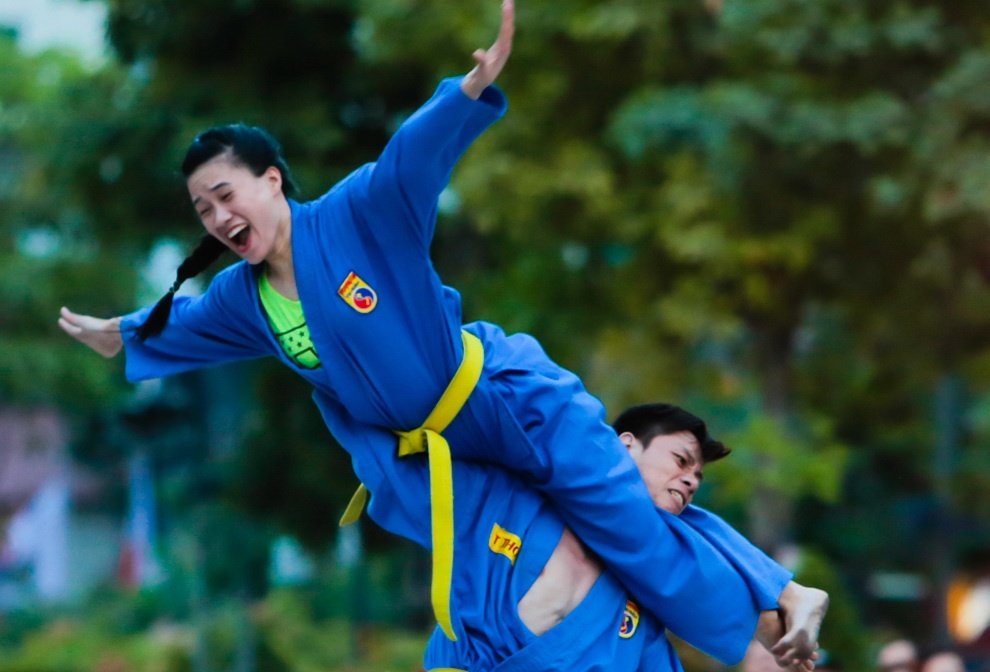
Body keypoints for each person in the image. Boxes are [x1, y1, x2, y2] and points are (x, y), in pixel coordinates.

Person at [58, 2, 812, 663]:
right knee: (507, 579)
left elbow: (412, 157)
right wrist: (116, 334)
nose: (220, 219)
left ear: (272, 181)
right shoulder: (241, 299)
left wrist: (468, 92)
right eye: (202, 210)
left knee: (627, 520)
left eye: (226, 195)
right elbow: (179, 325)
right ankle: (756, 602)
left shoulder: (360, 212)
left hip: (503, 399)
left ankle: (767, 625)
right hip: (435, 458)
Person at [418, 403, 828, 672]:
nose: (690, 480)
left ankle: (792, 593)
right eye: (681, 461)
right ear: (626, 445)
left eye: (698, 477)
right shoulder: (529, 491)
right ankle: (791, 593)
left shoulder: (650, 589)